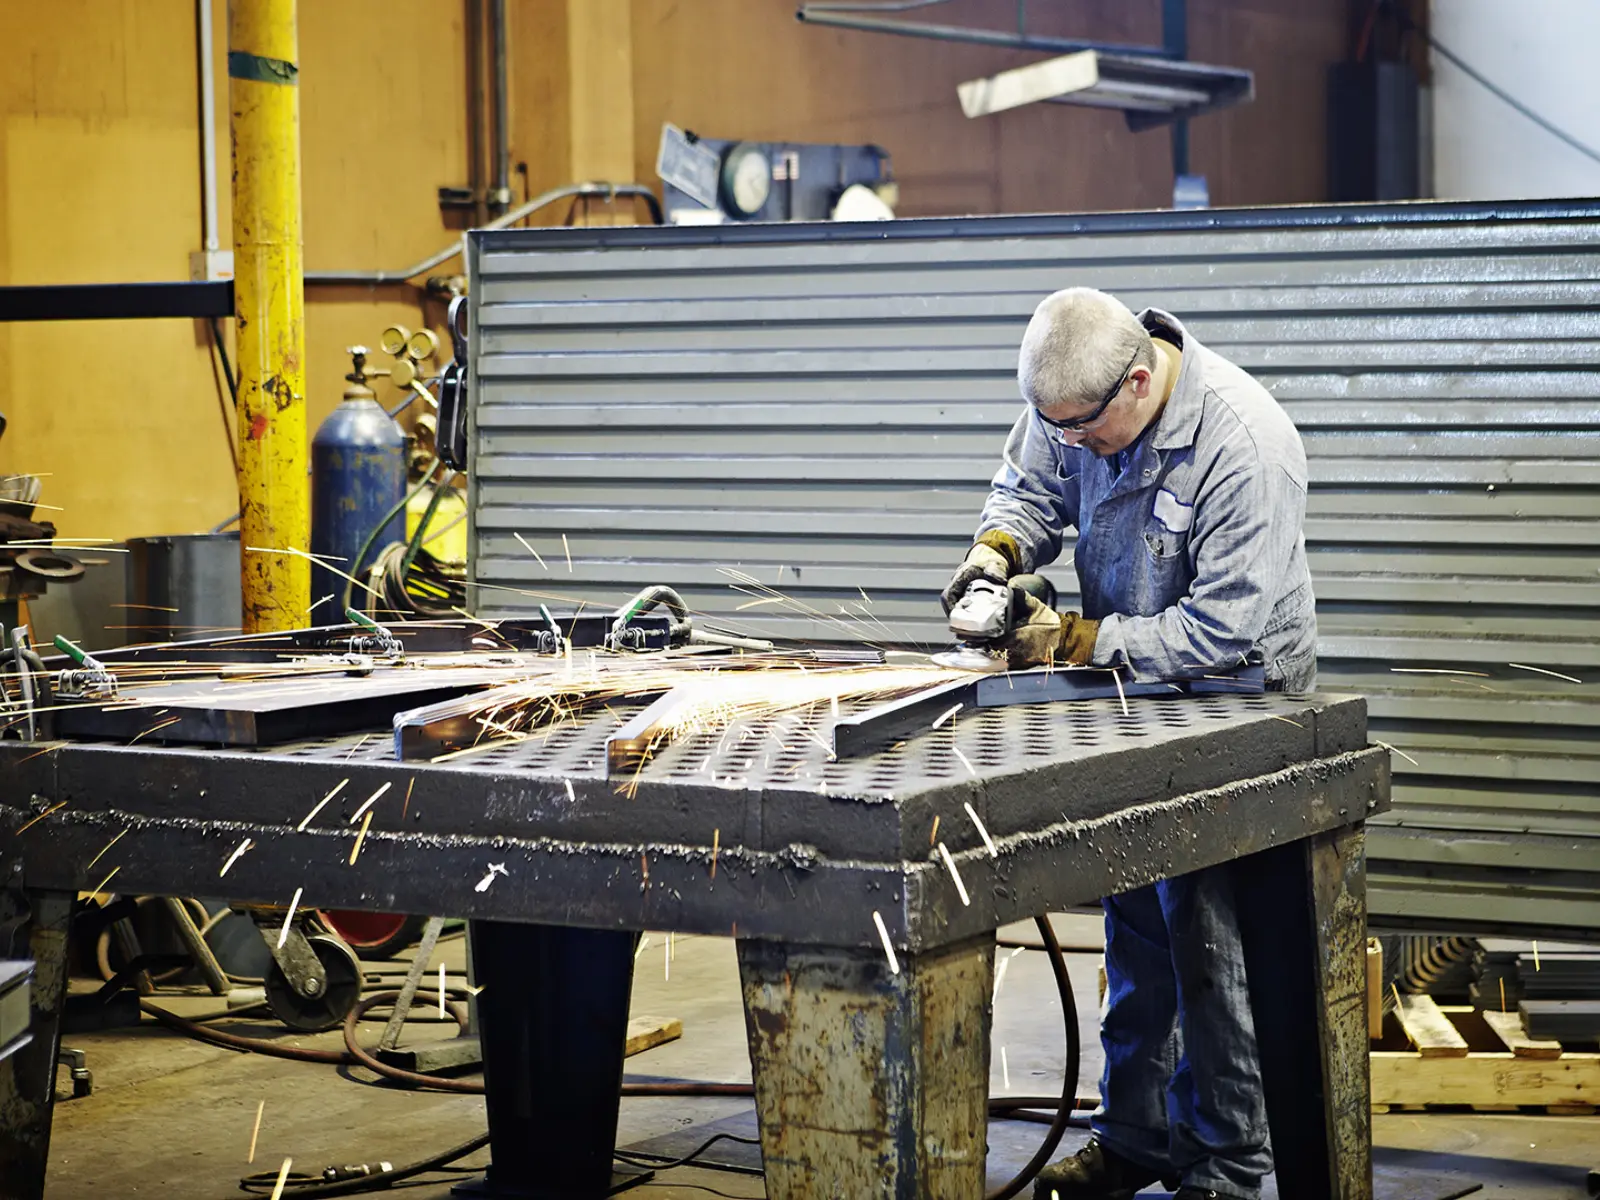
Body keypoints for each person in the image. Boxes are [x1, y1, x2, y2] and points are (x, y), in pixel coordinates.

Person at [940, 288, 1317, 1200]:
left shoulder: (1245, 448)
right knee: (1135, 918)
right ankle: (1139, 1136)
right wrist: (996, 552)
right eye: (1055, 427)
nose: (1070, 446)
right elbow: (1029, 485)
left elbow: (1221, 632)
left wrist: (1071, 641)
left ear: (1140, 381)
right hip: (1134, 692)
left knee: (1205, 935)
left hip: (1240, 704)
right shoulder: (1076, 399)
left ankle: (1226, 1166)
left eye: (1083, 432)